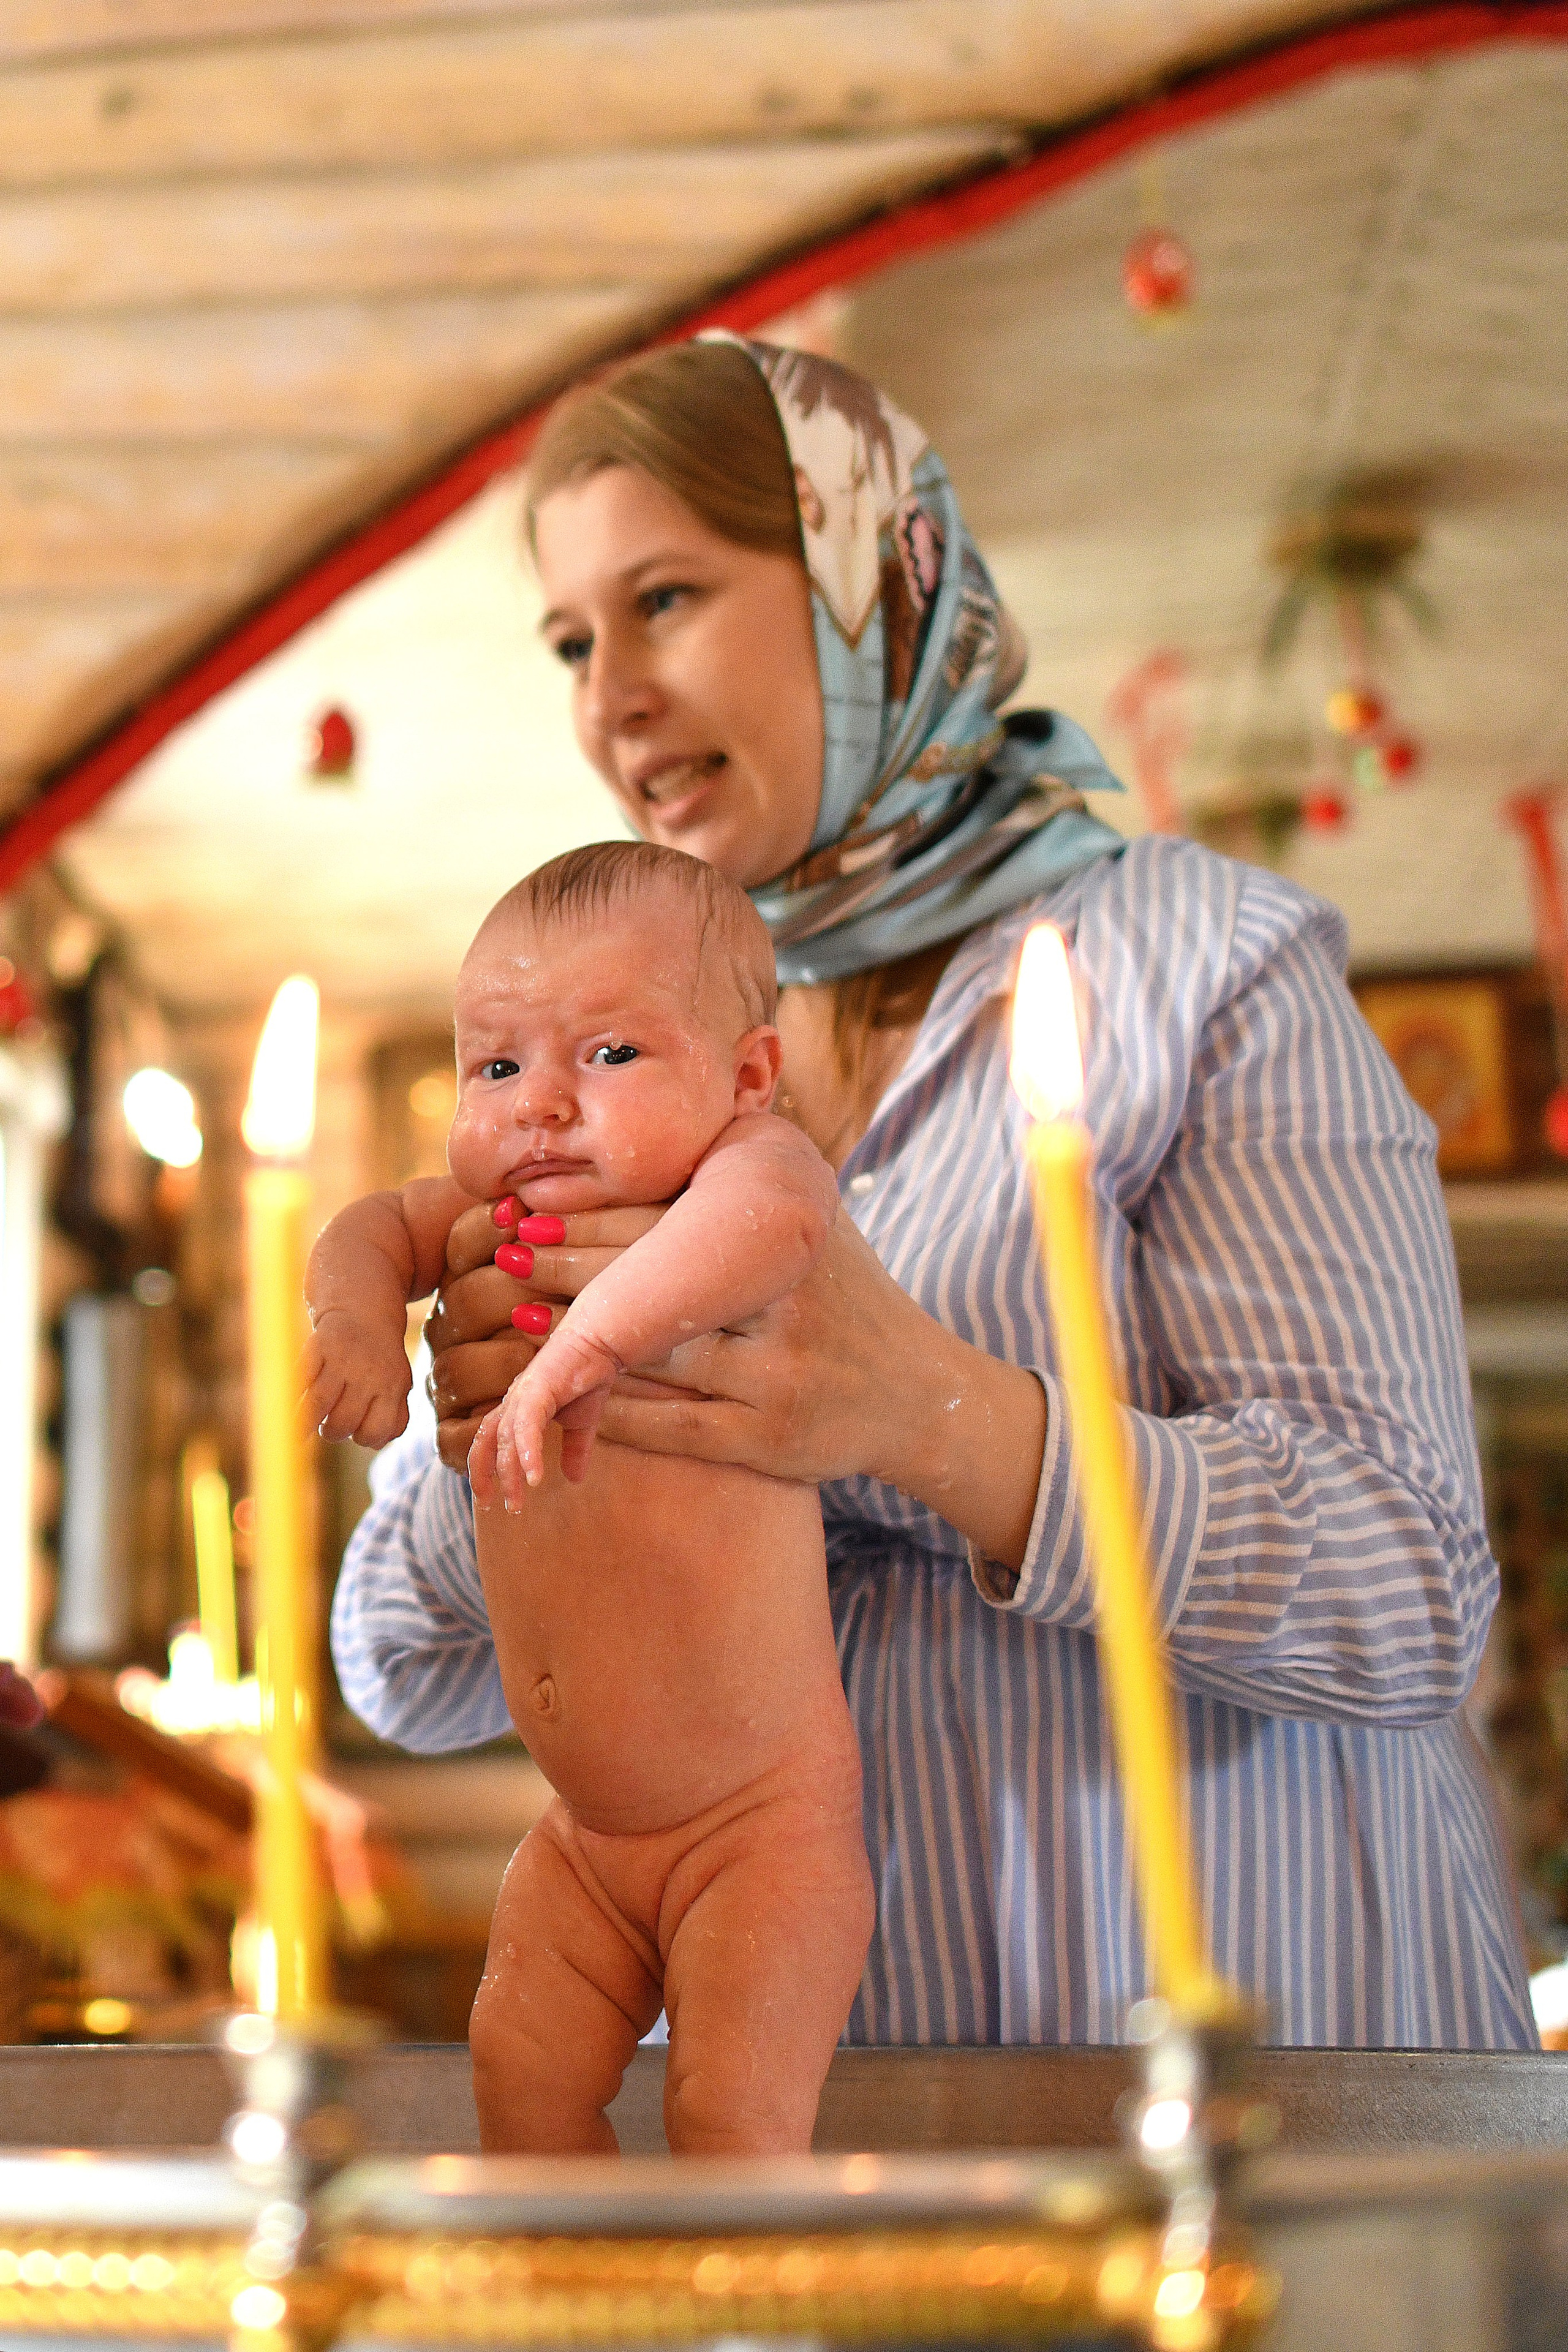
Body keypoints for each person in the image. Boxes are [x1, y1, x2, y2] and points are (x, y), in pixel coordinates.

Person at [332, 334, 1537, 2051]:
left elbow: (1406, 1592)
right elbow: (403, 1666)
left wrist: (925, 1413)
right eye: (572, 641)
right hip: (805, 2165)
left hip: (1239, 2109)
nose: (610, 696)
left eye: (664, 599)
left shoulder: (1209, 972)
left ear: (863, 581)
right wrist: (516, 1431)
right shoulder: (593, 1071)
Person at [307, 845, 869, 2150]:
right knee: (514, 2078)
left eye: (608, 1056)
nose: (540, 1106)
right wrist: (349, 1324)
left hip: (759, 1832)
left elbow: (777, 1232)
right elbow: (360, 1232)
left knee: (730, 2117)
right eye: (497, 1066)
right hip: (584, 1834)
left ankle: (729, 2322)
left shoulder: (739, 1174)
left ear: (744, 1075)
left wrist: (583, 1347)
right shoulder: (483, 1208)